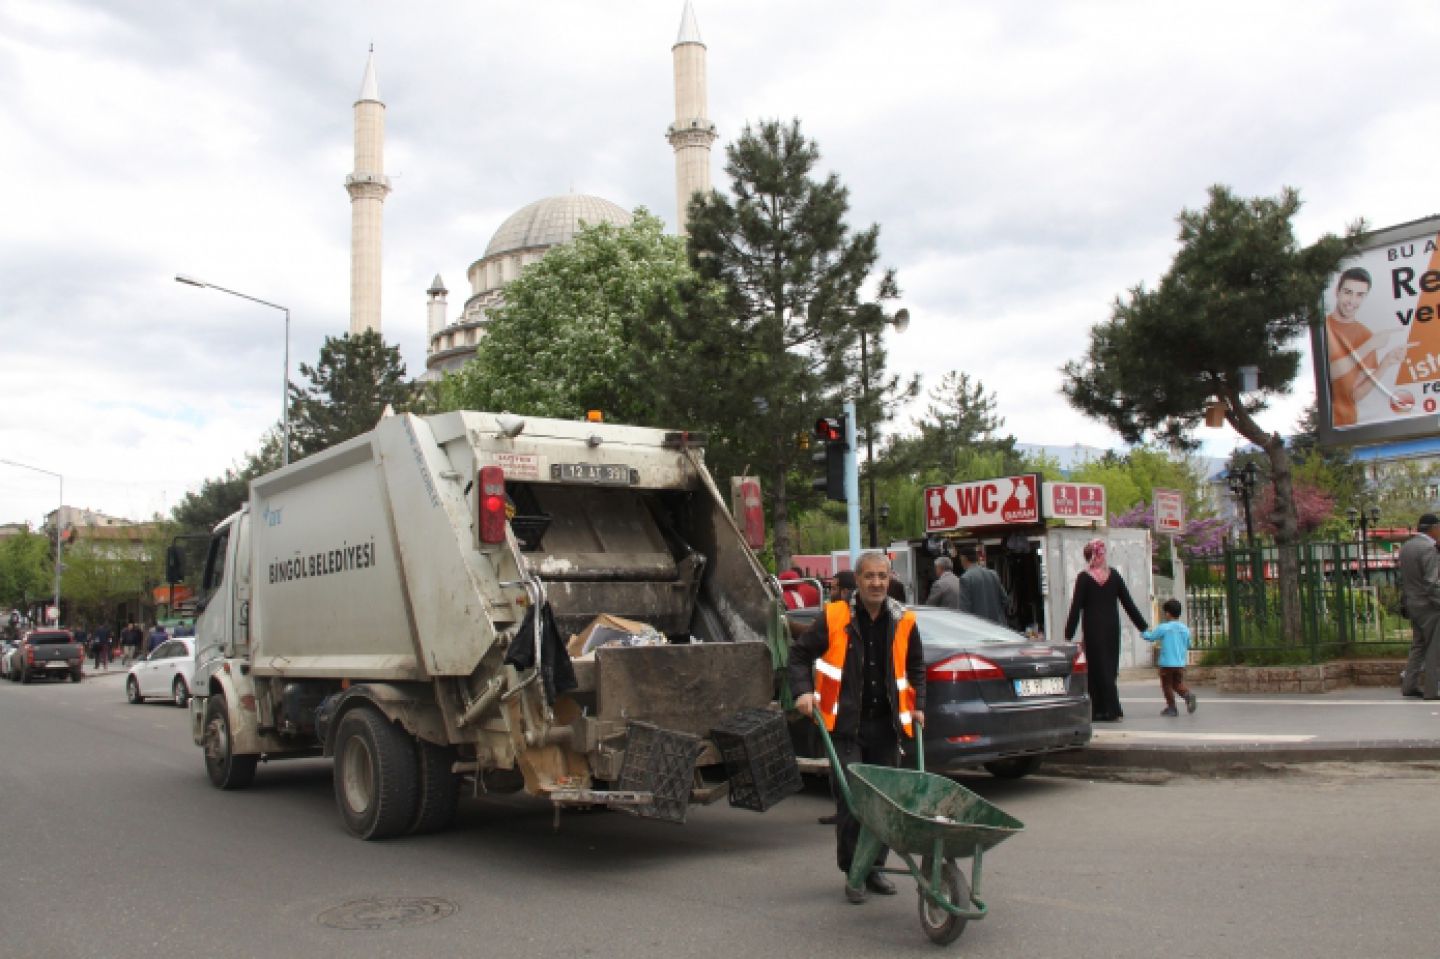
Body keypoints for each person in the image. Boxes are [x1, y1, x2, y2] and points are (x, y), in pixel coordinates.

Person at [789, 550, 926, 904]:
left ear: (890, 578)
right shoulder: (835, 616)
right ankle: (854, 870)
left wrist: (919, 706)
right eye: (869, 577)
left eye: (882, 576)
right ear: (858, 580)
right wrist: (803, 692)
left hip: (886, 725)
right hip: (845, 724)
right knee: (852, 802)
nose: (877, 583)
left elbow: (917, 669)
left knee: (883, 802)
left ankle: (875, 868)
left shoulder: (904, 620)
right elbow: (800, 655)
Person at [1064, 539, 1148, 722]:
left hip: (1094, 629)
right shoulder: (1114, 575)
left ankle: (1100, 710)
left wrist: (1068, 634)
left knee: (1096, 668)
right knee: (1109, 667)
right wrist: (1143, 627)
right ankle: (1111, 709)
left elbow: (1076, 607)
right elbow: (1128, 604)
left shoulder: (1084, 578)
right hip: (1111, 628)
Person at [1325, 267, 1405, 428]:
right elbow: (1328, 374)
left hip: (1347, 424)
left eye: (1360, 295)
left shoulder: (1365, 335)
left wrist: (1385, 364)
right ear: (1337, 292)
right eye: (1348, 292)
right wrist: (1369, 346)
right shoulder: (1324, 327)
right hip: (1325, 422)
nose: (1352, 301)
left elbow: (1355, 395)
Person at [1399, 513, 1440, 700]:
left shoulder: (1407, 547)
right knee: (1434, 649)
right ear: (1433, 528)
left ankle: (1409, 685)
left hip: (1413, 604)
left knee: (1418, 646)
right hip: (1430, 606)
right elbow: (1432, 583)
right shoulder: (1429, 549)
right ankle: (1433, 690)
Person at [1143, 599, 1197, 716]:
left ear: (1167, 613)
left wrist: (1143, 632)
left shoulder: (1164, 627)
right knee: (1177, 684)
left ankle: (1171, 708)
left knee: (1166, 685)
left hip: (1167, 663)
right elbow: (1189, 644)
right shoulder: (1185, 629)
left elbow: (1151, 637)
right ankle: (1187, 695)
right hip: (1180, 663)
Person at [956, 545, 1010, 626]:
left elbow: (964, 610)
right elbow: (1005, 600)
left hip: (980, 628)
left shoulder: (965, 578)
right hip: (998, 626)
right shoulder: (993, 574)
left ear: (964, 558)